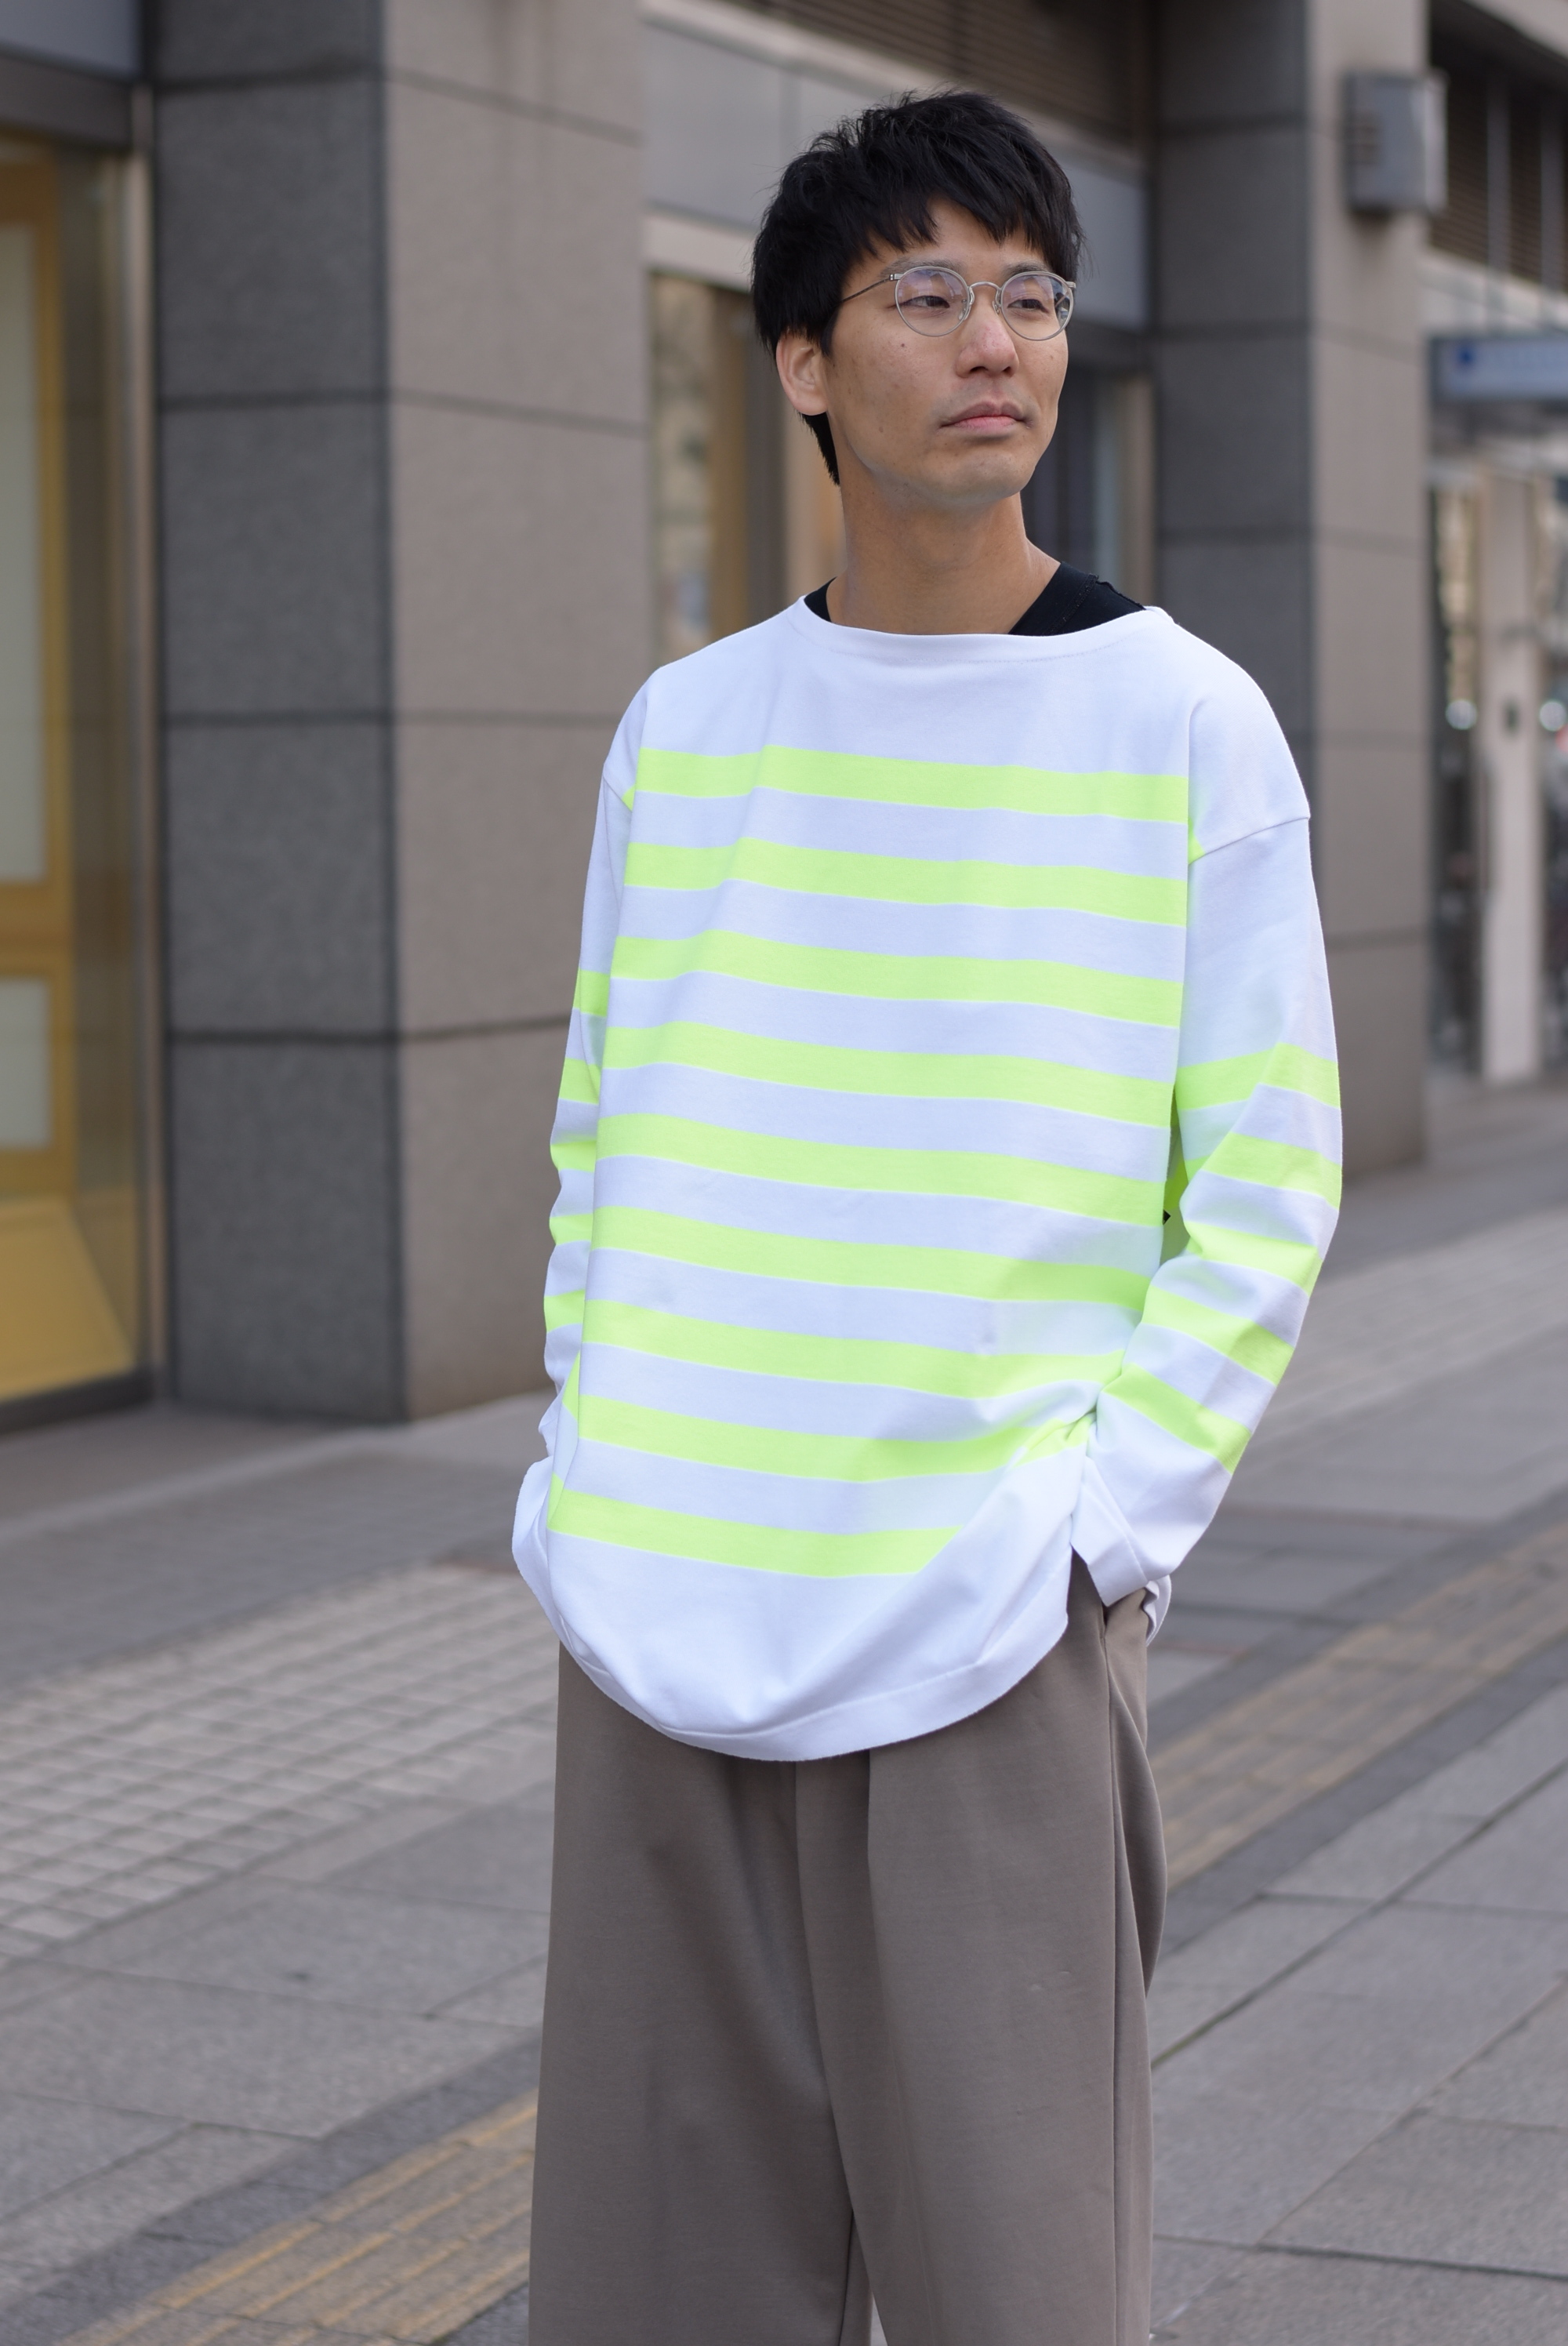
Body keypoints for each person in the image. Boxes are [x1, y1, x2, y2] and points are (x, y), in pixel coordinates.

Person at [513, 89, 1339, 2346]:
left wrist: (1102, 1531)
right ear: (802, 359)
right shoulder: (690, 730)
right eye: (930, 293)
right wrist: (586, 1464)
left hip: (988, 1619)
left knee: (1020, 2280)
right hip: (665, 1601)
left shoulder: (1181, 722)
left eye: (1034, 294)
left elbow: (1267, 1176)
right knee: (661, 2285)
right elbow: (605, 1130)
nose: (998, 342)